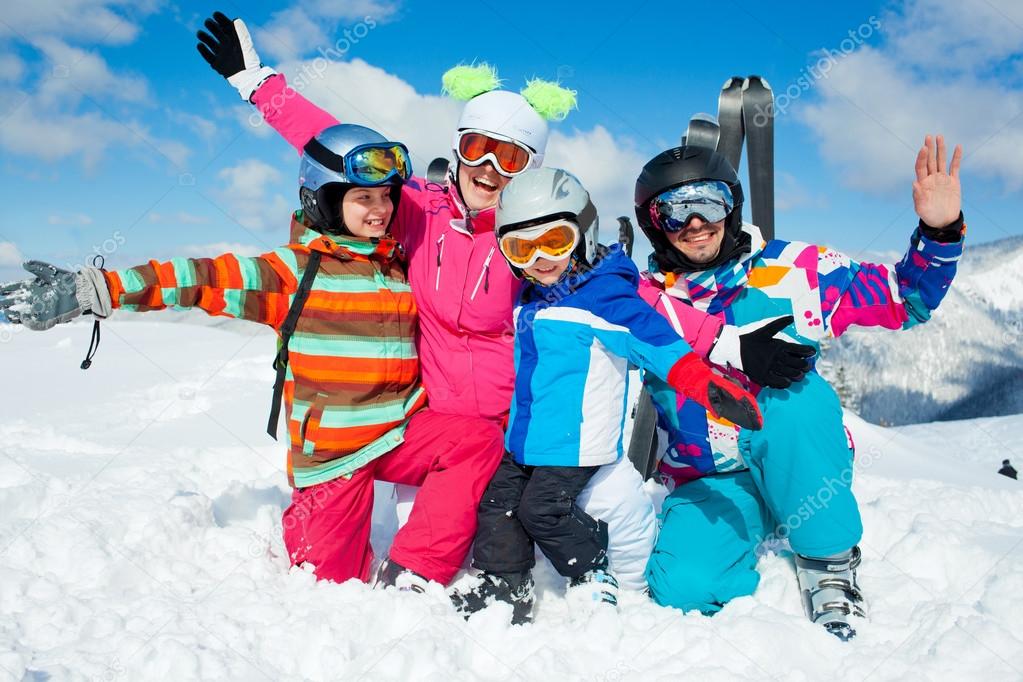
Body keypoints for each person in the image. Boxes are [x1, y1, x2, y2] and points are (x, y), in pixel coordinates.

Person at [194, 11, 661, 590]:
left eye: (510, 158)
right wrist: (259, 83)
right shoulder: (418, 210)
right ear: (458, 149)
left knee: (526, 504)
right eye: (479, 148)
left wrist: (717, 340)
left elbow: (622, 300)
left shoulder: (531, 238)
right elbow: (338, 148)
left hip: (507, 426)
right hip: (425, 420)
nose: (490, 169)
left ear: (529, 169)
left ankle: (456, 575)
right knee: (339, 558)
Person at [0, 124, 504, 590]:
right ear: (325, 200)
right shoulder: (293, 273)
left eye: (386, 197)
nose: (380, 209)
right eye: (362, 197)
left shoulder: (395, 264)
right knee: (326, 585)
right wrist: (99, 288)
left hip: (399, 429)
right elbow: (199, 279)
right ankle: (312, 531)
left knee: (475, 441)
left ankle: (416, 571)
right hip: (333, 456)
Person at [634, 134, 966, 640]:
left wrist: (937, 231)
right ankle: (764, 512)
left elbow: (907, 298)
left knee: (793, 398)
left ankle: (829, 563)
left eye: (708, 202)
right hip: (711, 477)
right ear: (654, 225)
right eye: (675, 213)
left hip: (794, 448)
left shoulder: (799, 270)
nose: (696, 223)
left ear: (732, 203)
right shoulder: (640, 303)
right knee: (683, 588)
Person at [448, 168, 762, 623]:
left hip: (576, 446)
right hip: (524, 442)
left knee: (543, 512)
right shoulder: (531, 295)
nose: (539, 258)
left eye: (554, 240)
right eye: (521, 247)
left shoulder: (605, 298)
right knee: (497, 506)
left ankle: (592, 571)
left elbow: (659, 344)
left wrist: (707, 387)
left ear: (584, 233)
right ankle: (506, 581)